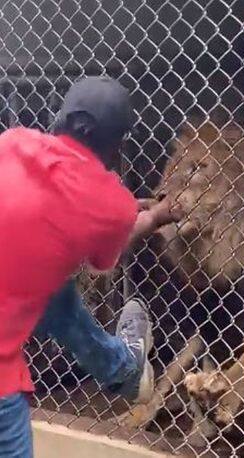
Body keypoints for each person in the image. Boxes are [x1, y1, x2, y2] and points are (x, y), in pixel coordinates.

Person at [0, 76, 182, 456]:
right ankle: (124, 370)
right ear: (117, 144)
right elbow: (102, 264)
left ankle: (123, 370)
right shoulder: (112, 206)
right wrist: (152, 215)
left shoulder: (12, 141)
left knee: (53, 291)